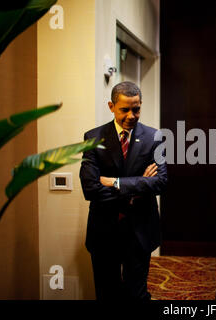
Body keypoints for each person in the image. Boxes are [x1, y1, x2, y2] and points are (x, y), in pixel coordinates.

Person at [79, 81, 167, 300]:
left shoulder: (154, 137)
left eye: (136, 109)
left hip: (140, 229)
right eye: (124, 109)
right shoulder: (93, 138)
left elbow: (160, 182)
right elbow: (90, 188)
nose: (131, 115)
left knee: (136, 294)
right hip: (104, 229)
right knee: (106, 293)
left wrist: (115, 183)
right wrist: (136, 189)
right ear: (111, 106)